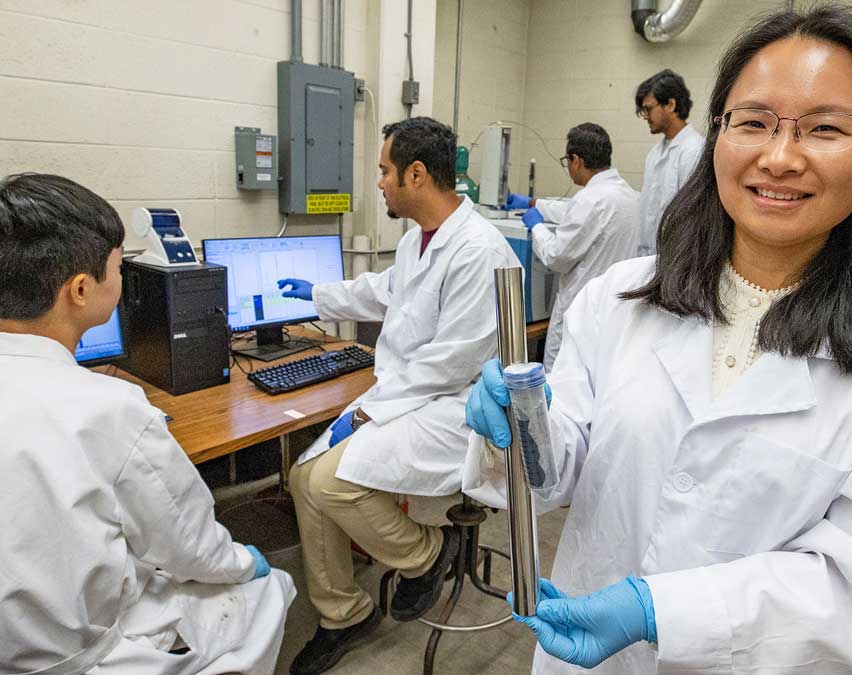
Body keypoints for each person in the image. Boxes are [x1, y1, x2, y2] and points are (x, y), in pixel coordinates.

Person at [464, 6, 852, 673]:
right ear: (718, 136)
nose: (780, 156)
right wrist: (519, 427)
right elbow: (557, 467)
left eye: (825, 128)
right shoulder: (618, 300)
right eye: (754, 122)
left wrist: (665, 612)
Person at [0, 173, 294, 675]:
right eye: (120, 267)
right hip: (80, 657)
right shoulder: (111, 409)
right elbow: (192, 548)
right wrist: (244, 560)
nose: (125, 281)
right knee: (270, 588)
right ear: (79, 289)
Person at [276, 117, 521, 675]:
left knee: (330, 483)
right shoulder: (418, 239)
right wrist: (316, 294)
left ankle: (430, 554)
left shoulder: (481, 251)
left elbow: (452, 360)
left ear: (416, 173)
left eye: (385, 171)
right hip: (407, 394)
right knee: (300, 481)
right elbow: (386, 291)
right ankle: (345, 613)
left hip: (456, 407)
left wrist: (366, 410)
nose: (380, 183)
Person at [504, 123, 639, 369]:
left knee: (560, 384)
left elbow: (555, 256)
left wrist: (536, 227)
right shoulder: (629, 196)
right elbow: (576, 213)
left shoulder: (590, 199)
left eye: (567, 160)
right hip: (613, 315)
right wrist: (534, 203)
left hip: (579, 313)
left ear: (576, 160)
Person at [634, 69, 705, 256]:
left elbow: (693, 219)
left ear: (671, 105)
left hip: (679, 259)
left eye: (648, 109)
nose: (645, 116)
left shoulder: (695, 151)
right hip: (650, 257)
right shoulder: (654, 154)